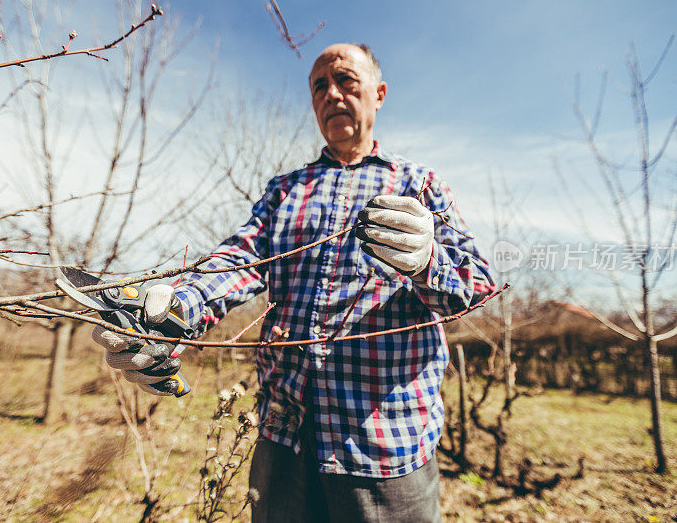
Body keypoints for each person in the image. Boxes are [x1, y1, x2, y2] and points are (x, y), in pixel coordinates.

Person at [93, 43, 496, 522]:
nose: (332, 94)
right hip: (283, 440)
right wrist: (178, 307)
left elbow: (478, 284)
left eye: (347, 81)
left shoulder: (420, 185)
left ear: (379, 93)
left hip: (385, 445)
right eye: (319, 87)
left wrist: (428, 260)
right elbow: (239, 259)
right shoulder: (287, 189)